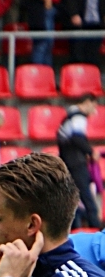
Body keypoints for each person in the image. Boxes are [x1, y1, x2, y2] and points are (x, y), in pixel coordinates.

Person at [57, 97, 101, 229]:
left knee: (72, 199)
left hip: (67, 162)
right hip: (76, 164)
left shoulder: (69, 117)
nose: (93, 112)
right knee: (87, 200)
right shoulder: (78, 118)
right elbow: (77, 137)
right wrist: (90, 151)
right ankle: (98, 230)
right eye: (93, 107)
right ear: (87, 102)